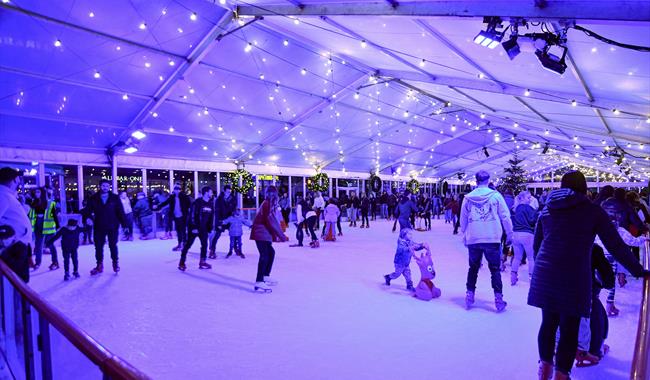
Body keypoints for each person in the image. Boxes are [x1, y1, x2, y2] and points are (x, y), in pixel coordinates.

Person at [528, 171, 646, 380]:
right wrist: (638, 271)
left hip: (546, 274)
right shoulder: (592, 211)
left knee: (548, 323)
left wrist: (540, 271)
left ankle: (544, 372)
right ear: (584, 189)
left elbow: (538, 245)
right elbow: (615, 245)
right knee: (569, 328)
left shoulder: (547, 209)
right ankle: (561, 375)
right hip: (573, 277)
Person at [460, 170, 513, 312]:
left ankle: (469, 295)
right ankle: (498, 299)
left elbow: (463, 219)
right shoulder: (496, 196)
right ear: (488, 180)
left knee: (473, 267)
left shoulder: (468, 198)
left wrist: (464, 234)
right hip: (492, 237)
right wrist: (509, 233)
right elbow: (505, 216)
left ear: (476, 181)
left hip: (474, 237)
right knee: (495, 269)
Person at [250, 186, 288, 293]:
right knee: (265, 255)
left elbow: (272, 220)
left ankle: (265, 275)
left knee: (270, 253)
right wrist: (281, 235)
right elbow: (270, 220)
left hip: (263, 233)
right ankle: (259, 280)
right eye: (271, 194)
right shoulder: (267, 204)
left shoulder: (269, 204)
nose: (273, 196)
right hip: (260, 232)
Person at [87, 179, 126, 275]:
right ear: (100, 186)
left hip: (112, 225)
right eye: (103, 185)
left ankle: (115, 263)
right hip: (99, 225)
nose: (105, 187)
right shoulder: (93, 198)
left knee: (113, 245)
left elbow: (120, 211)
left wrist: (125, 224)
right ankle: (99, 265)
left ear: (109, 187)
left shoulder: (115, 198)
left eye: (107, 186)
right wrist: (88, 218)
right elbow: (88, 210)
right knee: (98, 246)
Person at [0, 167, 32, 282]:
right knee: (18, 281)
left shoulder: (7, 195)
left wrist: (23, 209)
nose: (19, 181)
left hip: (18, 245)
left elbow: (10, 216)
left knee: (20, 280)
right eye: (17, 178)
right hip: (14, 247)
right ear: (13, 180)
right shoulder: (3, 195)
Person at [179, 186, 214, 271]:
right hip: (194, 228)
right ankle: (182, 262)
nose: (212, 193)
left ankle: (202, 262)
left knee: (204, 245)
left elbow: (211, 217)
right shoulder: (197, 202)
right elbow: (192, 216)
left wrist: (209, 228)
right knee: (188, 245)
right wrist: (194, 227)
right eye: (210, 192)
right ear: (206, 193)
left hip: (204, 229)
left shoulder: (210, 203)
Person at [510, 191, 538, 285]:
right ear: (522, 198)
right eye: (528, 197)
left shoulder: (516, 208)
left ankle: (513, 277)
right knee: (531, 258)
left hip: (516, 234)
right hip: (527, 234)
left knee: (517, 257)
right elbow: (532, 220)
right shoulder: (529, 208)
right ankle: (531, 278)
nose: (530, 199)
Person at [29, 187, 61, 270]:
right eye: (35, 192)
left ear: (43, 193)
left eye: (38, 192)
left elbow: (55, 215)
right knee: (38, 246)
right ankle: (37, 263)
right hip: (38, 227)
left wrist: (57, 226)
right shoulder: (33, 203)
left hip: (49, 228)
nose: (36, 194)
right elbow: (31, 216)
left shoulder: (50, 203)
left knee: (50, 245)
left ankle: (55, 262)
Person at [154, 184, 191, 251]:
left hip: (183, 217)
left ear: (180, 190)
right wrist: (158, 206)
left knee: (183, 231)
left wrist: (189, 213)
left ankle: (184, 244)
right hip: (176, 216)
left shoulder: (184, 197)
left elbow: (190, 204)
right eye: (175, 189)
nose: (177, 191)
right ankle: (180, 244)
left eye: (178, 189)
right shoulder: (172, 197)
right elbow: (165, 202)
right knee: (178, 231)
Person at [209, 185, 237, 259]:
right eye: (227, 191)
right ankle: (212, 250)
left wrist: (234, 216)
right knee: (217, 235)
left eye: (229, 191)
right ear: (224, 191)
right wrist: (218, 222)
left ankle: (236, 248)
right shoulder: (219, 199)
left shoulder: (233, 198)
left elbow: (234, 208)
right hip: (221, 219)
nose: (229, 193)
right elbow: (217, 211)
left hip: (230, 220)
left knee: (234, 234)